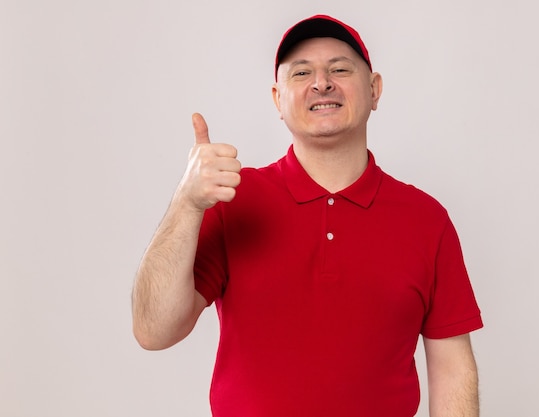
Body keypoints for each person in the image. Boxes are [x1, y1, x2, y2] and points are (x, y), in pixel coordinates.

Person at [132, 14, 483, 417]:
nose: (322, 83)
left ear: (375, 89)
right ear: (277, 98)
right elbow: (153, 331)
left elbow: (453, 369)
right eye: (302, 72)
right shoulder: (233, 201)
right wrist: (186, 204)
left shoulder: (426, 220)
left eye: (339, 68)